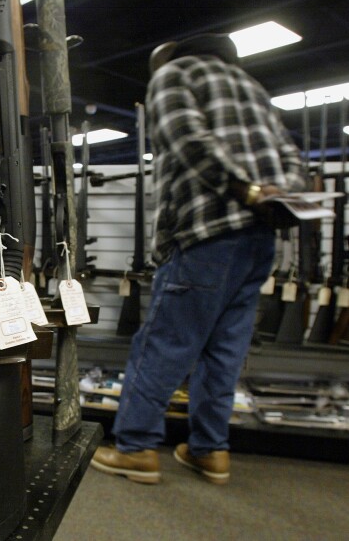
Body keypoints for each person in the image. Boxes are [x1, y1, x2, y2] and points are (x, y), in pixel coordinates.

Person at [91, 33, 306, 484]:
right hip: (259, 238)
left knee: (163, 345)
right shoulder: (254, 89)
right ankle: (210, 450)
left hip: (205, 231)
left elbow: (187, 139)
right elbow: (291, 157)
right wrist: (273, 195)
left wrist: (242, 189)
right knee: (224, 351)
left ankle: (135, 448)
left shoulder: (174, 74)